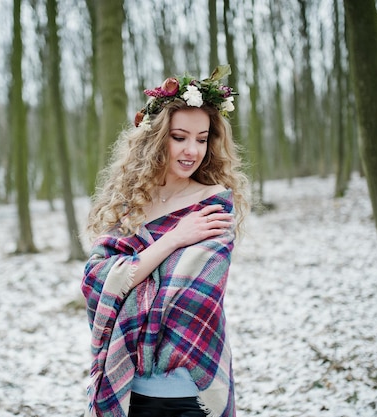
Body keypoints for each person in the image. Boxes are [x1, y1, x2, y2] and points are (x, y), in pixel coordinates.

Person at [81, 65, 250, 417]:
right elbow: (95, 280)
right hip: (128, 388)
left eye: (202, 139)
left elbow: (191, 298)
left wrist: (131, 273)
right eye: (180, 137)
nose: (192, 150)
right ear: (157, 138)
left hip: (186, 394)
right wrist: (174, 239)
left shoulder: (214, 204)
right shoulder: (131, 204)